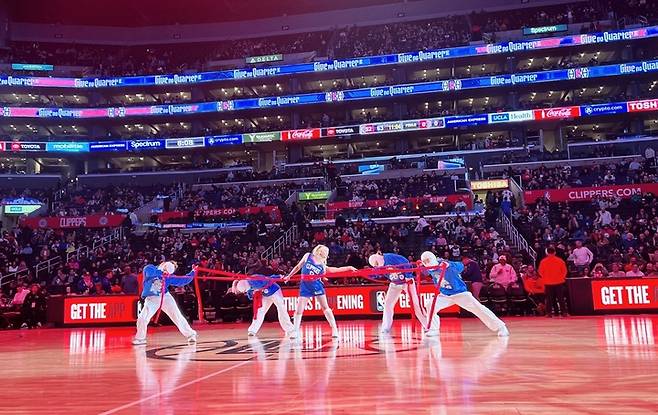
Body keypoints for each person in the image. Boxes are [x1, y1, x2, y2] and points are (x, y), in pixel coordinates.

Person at [421, 251, 509, 337]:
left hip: (460, 293)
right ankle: (433, 329)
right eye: (425, 261)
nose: (426, 263)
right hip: (445, 295)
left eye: (428, 260)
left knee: (478, 308)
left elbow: (461, 266)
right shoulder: (430, 268)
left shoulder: (445, 264)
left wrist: (449, 265)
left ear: (432, 259)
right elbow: (424, 271)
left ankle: (501, 327)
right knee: (430, 306)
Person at [284, 245, 356, 339]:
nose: (326, 253)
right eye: (325, 250)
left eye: (327, 251)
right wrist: (289, 276)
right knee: (299, 310)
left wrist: (349, 267)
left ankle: (334, 329)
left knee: (325, 308)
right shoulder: (307, 256)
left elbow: (335, 270)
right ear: (319, 250)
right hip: (305, 286)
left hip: (316, 286)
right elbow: (298, 266)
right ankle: (295, 331)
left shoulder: (322, 265)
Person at [132, 261, 198, 345]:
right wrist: (162, 272)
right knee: (142, 317)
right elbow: (150, 274)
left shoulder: (168, 275)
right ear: (164, 263)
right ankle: (140, 338)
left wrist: (192, 272)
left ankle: (191, 334)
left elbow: (182, 280)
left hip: (165, 297)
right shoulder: (150, 268)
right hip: (151, 298)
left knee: (177, 316)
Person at [368, 252, 426, 334]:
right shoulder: (379, 266)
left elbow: (405, 262)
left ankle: (426, 325)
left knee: (415, 303)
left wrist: (408, 276)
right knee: (388, 304)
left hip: (406, 282)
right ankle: (386, 327)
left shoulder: (390, 257)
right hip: (395, 283)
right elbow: (376, 274)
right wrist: (363, 273)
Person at [229, 274, 294, 337]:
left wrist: (280, 276)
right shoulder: (247, 288)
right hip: (265, 295)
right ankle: (252, 330)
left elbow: (270, 278)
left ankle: (290, 329)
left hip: (274, 290)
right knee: (260, 311)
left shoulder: (255, 278)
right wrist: (253, 293)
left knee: (281, 309)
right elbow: (250, 296)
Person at [538, 247, 568, 317]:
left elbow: (540, 272)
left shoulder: (543, 261)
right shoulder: (560, 261)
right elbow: (564, 271)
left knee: (549, 299)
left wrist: (545, 278)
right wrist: (561, 277)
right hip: (559, 282)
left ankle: (549, 313)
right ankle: (564, 312)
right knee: (561, 298)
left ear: (547, 253)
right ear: (555, 252)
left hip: (548, 283)